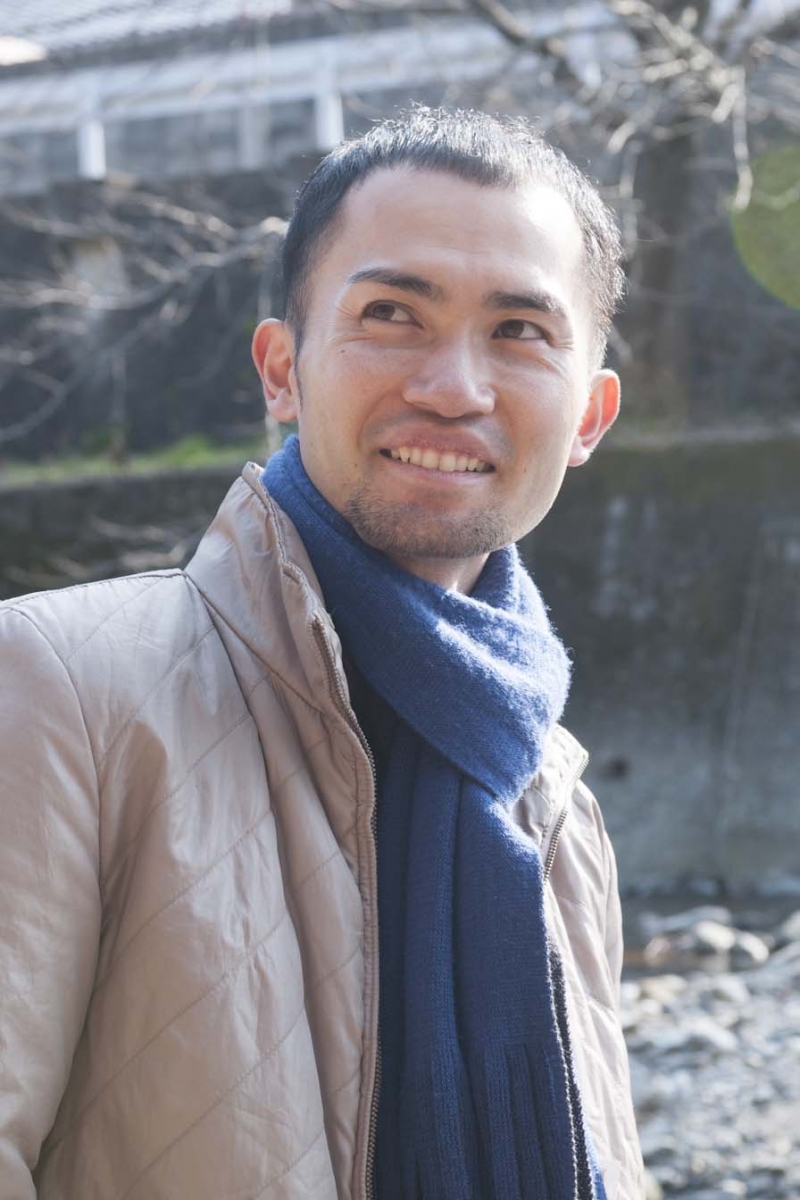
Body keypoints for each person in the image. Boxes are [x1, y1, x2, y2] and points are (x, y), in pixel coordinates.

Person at [0, 108, 644, 1199]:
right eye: (391, 314)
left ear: (588, 416)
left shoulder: (553, 798)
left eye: (519, 331)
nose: (454, 387)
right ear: (281, 371)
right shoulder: (65, 689)